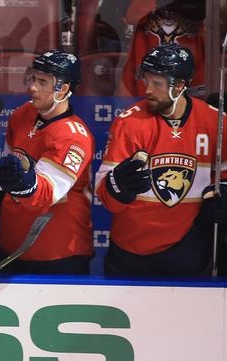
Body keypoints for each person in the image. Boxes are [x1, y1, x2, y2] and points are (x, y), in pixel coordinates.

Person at [95, 44, 227, 276]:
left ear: (180, 86)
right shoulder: (129, 123)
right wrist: (116, 186)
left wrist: (223, 193)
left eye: (157, 84)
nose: (148, 90)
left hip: (188, 248)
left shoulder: (217, 123)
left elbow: (223, 175)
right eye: (147, 81)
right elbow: (105, 196)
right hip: (130, 250)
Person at [0, 50, 94, 274]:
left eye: (43, 82)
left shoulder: (73, 136)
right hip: (14, 247)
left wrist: (22, 184)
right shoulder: (22, 115)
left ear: (64, 89)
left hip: (57, 253)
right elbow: (9, 174)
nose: (33, 87)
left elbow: (46, 194)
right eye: (33, 78)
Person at [121, 0, 205, 96]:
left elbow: (203, 12)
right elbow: (132, 16)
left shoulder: (194, 11)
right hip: (145, 83)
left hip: (186, 81)